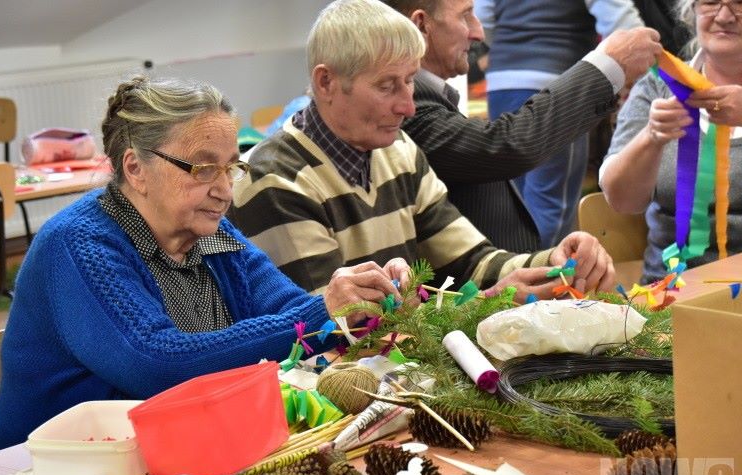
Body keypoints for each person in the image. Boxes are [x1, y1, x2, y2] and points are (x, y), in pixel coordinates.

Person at [0, 76, 409, 452]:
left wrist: (357, 301)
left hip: (170, 448)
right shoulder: (80, 244)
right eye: (204, 168)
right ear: (135, 168)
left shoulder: (212, 234)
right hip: (51, 469)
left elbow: (290, 312)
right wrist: (323, 313)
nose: (224, 189)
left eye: (231, 167)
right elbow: (156, 364)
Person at [231, 0, 615, 307]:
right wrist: (481, 304)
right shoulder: (275, 179)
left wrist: (555, 262)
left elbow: (472, 262)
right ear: (326, 81)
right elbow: (333, 329)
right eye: (386, 86)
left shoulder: (397, 148)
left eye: (410, 82)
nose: (408, 106)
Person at [381, 0, 662, 252]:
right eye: (466, 16)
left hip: (503, 81)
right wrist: (611, 65)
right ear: (421, 25)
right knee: (552, 206)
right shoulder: (409, 102)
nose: (479, 34)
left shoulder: (428, 95)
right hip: (556, 72)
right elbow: (503, 148)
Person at [478, 0, 643, 247]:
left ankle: (514, 277)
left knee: (515, 203)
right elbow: (621, 22)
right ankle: (539, 278)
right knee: (551, 202)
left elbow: (481, 20)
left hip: (503, 82)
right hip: (562, 84)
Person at [600, 0, 742, 283]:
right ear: (692, 11)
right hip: (670, 292)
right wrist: (651, 137)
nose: (724, 16)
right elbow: (622, 200)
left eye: (739, 3)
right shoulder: (658, 86)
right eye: (711, 2)